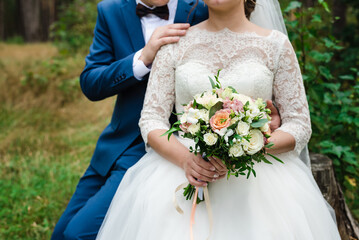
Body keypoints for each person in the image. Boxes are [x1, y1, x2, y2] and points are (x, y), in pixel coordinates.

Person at [95, 0, 342, 239]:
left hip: (259, 180)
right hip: (182, 170)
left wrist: (247, 147)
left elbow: (299, 123)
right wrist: (187, 161)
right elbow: (151, 119)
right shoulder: (174, 45)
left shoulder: (276, 45)